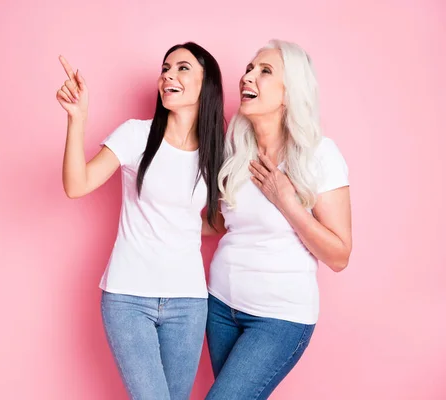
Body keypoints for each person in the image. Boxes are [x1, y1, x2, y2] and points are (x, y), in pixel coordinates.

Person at [56, 42, 225, 399]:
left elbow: (212, 221)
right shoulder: (136, 134)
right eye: (165, 68)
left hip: (189, 303)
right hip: (128, 298)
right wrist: (77, 119)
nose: (168, 75)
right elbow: (77, 184)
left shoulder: (216, 151)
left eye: (181, 68)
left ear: (206, 82)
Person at [204, 39, 352, 399]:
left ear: (290, 93)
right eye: (249, 69)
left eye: (265, 71)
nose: (247, 77)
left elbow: (339, 255)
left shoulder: (320, 155)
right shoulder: (236, 150)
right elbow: (221, 226)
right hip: (220, 306)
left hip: (279, 319)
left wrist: (286, 200)